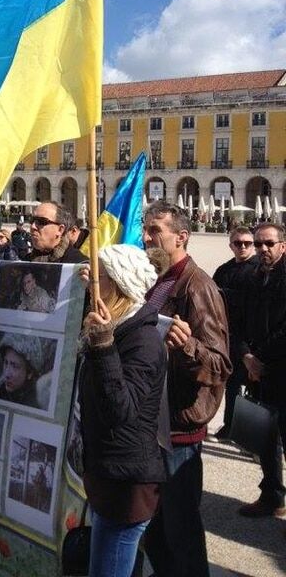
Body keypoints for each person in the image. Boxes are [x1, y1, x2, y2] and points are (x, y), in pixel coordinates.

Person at [142, 202, 231, 577]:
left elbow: (220, 365)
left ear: (181, 237)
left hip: (179, 427)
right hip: (156, 420)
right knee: (156, 529)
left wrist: (188, 345)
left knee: (181, 530)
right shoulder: (161, 280)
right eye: (146, 229)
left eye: (155, 231)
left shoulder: (198, 286)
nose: (147, 238)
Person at [79, 244, 167, 577]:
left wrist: (103, 348)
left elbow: (121, 410)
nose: (92, 288)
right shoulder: (116, 328)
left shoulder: (142, 341)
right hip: (110, 473)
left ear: (120, 285)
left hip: (127, 482)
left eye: (99, 280)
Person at [235, 223, 286, 518]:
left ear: (282, 245)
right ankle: (272, 496)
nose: (262, 249)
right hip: (257, 371)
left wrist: (258, 357)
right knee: (264, 438)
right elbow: (238, 320)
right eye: (258, 244)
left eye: (269, 243)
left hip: (280, 369)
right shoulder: (252, 277)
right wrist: (245, 355)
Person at [211, 225, 258, 440]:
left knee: (254, 388)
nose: (242, 247)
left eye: (248, 243)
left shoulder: (260, 270)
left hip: (253, 339)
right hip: (229, 336)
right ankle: (228, 425)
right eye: (238, 243)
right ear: (231, 245)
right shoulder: (223, 270)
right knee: (230, 385)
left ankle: (252, 434)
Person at [0, 333, 44, 407]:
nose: (6, 374)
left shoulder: (35, 403)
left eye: (15, 366)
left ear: (30, 373)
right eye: (6, 363)